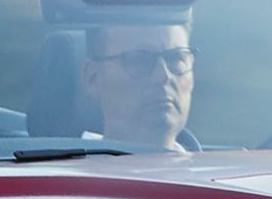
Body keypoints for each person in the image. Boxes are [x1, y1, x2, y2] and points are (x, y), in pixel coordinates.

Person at [79, 21, 196, 152]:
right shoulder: (63, 170)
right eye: (140, 60)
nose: (163, 76)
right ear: (93, 78)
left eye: (176, 59)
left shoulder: (214, 168)